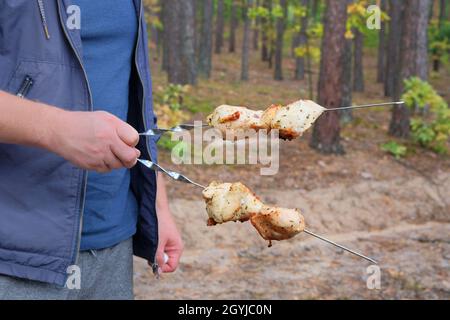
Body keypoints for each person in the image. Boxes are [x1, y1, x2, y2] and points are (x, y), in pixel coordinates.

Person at [0, 0, 183, 299]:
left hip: (113, 246)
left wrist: (158, 208)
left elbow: (132, 96)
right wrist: (58, 129)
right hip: (14, 257)